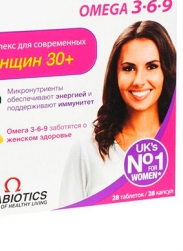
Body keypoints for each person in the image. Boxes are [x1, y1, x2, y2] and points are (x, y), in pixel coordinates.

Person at [59, 20, 176, 207]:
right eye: (128, 68)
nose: (138, 81)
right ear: (115, 75)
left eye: (152, 66)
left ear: (167, 72)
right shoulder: (87, 149)